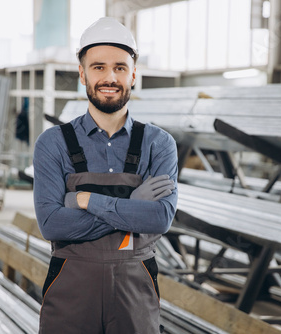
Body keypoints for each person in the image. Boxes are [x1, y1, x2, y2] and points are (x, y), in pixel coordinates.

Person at [33, 17, 178, 334]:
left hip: (134, 293)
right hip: (71, 290)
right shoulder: (53, 143)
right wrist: (132, 204)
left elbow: (159, 219)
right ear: (82, 73)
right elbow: (51, 223)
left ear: (133, 74)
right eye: (98, 67)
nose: (110, 77)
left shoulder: (159, 144)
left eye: (120, 67)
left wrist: (84, 200)